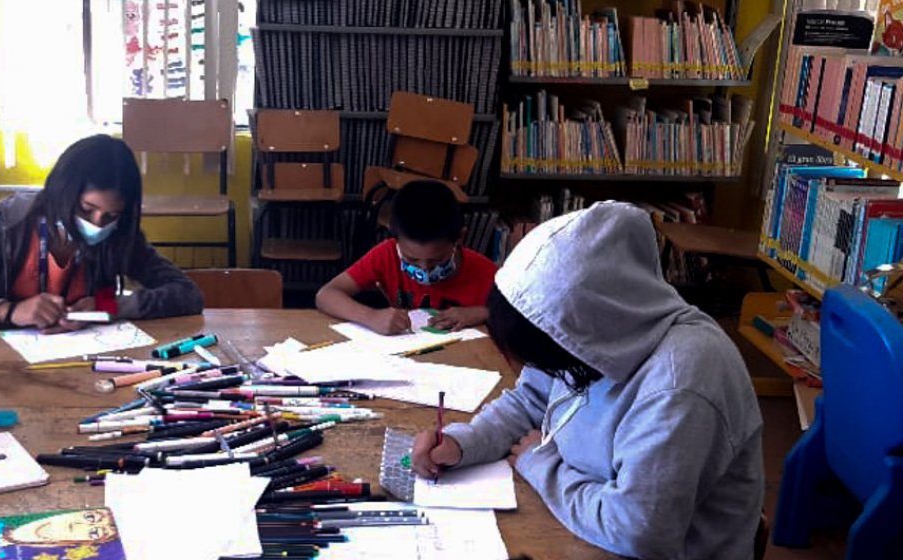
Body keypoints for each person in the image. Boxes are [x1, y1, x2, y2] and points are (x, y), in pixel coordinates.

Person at [410, 202, 764, 560]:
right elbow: (531, 400)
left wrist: (541, 464)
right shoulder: (588, 329)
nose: (551, 373)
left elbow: (637, 531)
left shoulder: (682, 382)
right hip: (580, 528)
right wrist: (463, 442)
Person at [0, 134, 203, 331]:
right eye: (86, 210)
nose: (98, 224)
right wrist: (8, 312)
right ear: (61, 194)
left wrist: (110, 306)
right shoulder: (8, 223)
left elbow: (187, 294)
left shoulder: (119, 234)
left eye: (111, 216)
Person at [315, 180, 497, 334]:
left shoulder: (489, 274)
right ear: (396, 241)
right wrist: (370, 316)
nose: (424, 268)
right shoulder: (386, 254)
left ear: (460, 237)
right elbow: (326, 295)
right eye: (412, 260)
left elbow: (522, 319)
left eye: (436, 260)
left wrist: (484, 313)